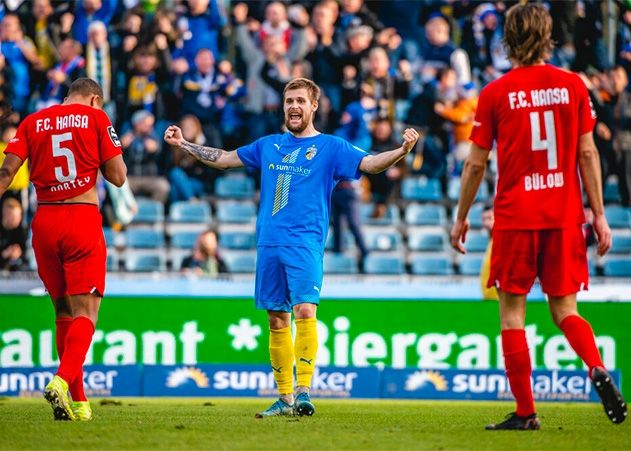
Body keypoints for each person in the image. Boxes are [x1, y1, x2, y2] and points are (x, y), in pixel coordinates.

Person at [164, 77, 418, 418]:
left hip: (305, 243)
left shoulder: (332, 147)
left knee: (305, 311)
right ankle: (283, 399)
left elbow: (370, 164)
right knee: (276, 319)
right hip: (269, 242)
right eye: (289, 101)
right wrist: (185, 145)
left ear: (314, 106)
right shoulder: (268, 145)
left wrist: (402, 151)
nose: (294, 107)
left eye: (300, 101)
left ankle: (303, 392)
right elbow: (223, 158)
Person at [450, 3, 626, 430]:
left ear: (507, 39)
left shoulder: (495, 92)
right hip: (565, 215)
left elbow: (475, 164)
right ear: (549, 37)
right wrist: (599, 215)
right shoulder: (572, 86)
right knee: (566, 309)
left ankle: (526, 412)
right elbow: (588, 153)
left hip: (516, 217)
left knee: (513, 314)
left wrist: (462, 216)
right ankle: (597, 367)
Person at [0, 78, 127, 421]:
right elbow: (117, 176)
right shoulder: (97, 118)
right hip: (80, 219)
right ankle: (60, 381)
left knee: (63, 312)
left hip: (44, 223)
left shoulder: (32, 122)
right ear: (95, 100)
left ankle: (80, 403)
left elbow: (6, 172)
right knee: (87, 313)